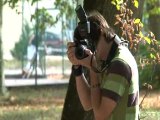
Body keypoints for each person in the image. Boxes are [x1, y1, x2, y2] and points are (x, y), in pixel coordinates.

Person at [67, 11, 139, 120]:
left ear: (102, 31)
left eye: (93, 43)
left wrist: (93, 69)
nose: (92, 50)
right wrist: (77, 67)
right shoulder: (111, 60)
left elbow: (100, 115)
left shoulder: (119, 64)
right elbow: (88, 103)